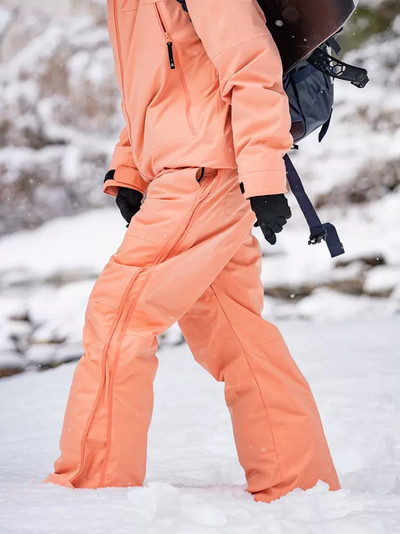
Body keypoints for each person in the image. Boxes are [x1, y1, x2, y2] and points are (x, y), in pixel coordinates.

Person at [44, 0, 340, 502]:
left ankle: (92, 483)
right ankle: (297, 478)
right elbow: (155, 91)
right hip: (190, 169)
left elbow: (251, 65)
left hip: (204, 170)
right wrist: (132, 170)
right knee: (234, 331)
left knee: (119, 315)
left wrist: (264, 174)